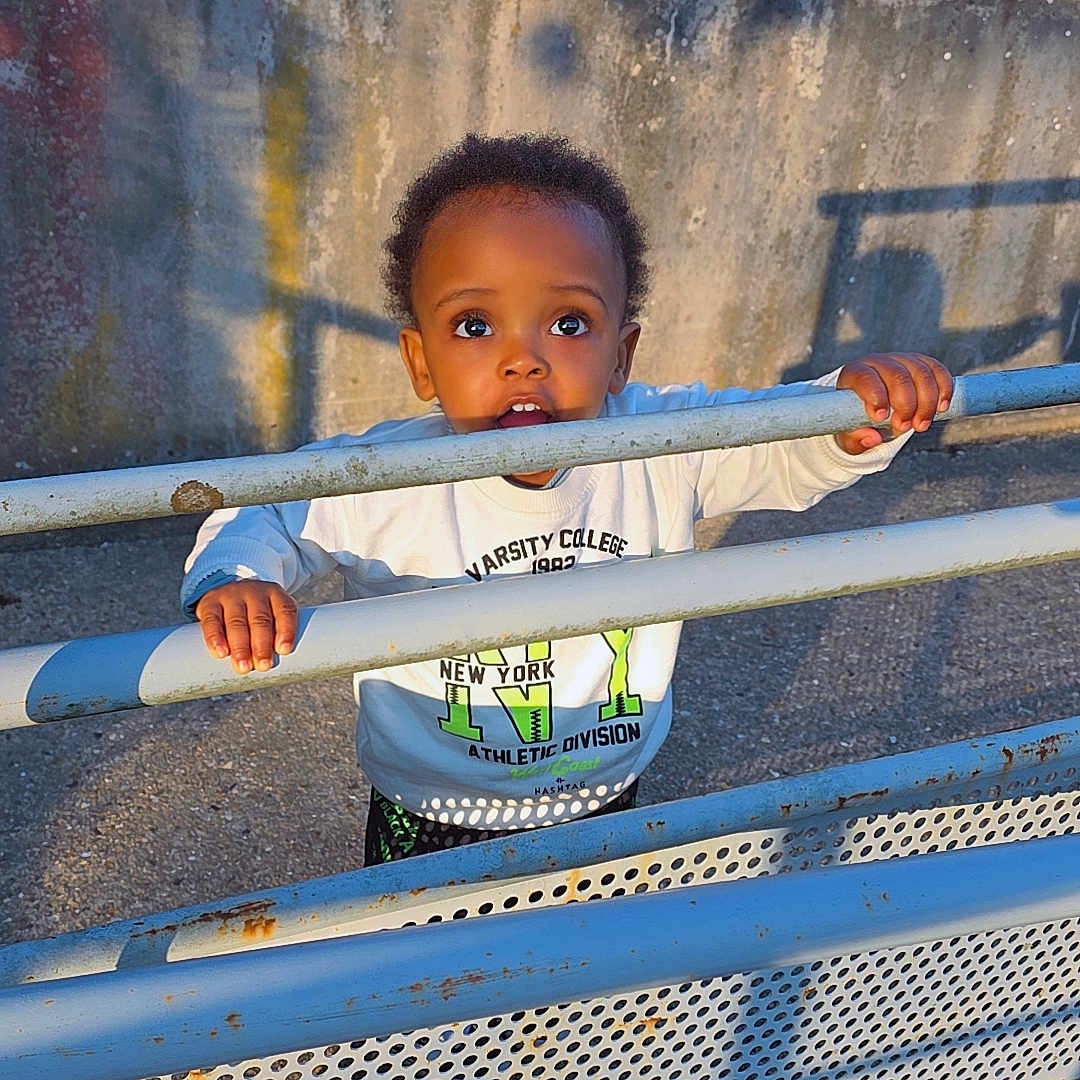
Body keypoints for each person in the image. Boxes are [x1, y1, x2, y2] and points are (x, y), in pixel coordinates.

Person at [182, 132, 952, 865]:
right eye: (475, 324)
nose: (524, 358)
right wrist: (239, 579)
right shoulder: (384, 475)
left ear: (621, 353)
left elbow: (768, 440)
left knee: (583, 974)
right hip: (432, 806)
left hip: (605, 791)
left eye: (569, 322)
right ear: (420, 361)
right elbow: (267, 505)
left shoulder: (657, 442)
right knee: (430, 981)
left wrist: (847, 416)